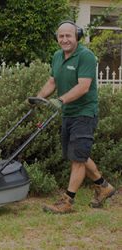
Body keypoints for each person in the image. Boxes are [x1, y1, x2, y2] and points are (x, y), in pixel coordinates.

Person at [36, 20, 116, 214]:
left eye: (68, 36)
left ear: (77, 36)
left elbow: (83, 86)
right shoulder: (57, 56)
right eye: (61, 36)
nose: (64, 40)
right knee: (78, 155)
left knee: (78, 159)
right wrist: (38, 97)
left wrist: (61, 100)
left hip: (84, 113)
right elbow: (52, 81)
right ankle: (104, 187)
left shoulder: (86, 56)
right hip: (68, 114)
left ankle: (67, 201)